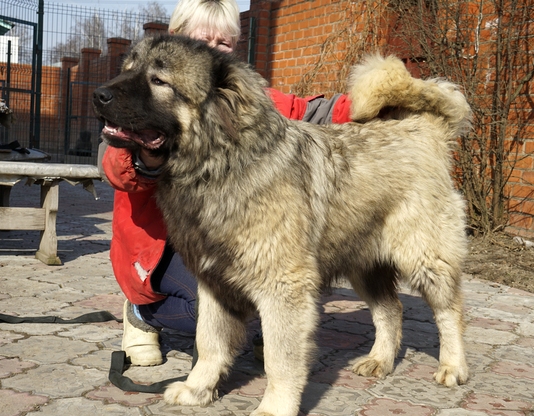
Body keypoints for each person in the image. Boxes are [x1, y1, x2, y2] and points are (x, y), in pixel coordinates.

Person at [102, 0, 351, 366]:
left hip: (220, 233)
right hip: (160, 247)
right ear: (176, 38)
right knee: (207, 305)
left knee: (265, 281)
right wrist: (150, 156)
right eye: (204, 40)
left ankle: (267, 333)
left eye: (225, 42)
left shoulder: (237, 94)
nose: (214, 50)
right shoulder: (142, 96)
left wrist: (378, 100)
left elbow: (308, 111)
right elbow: (112, 164)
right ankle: (142, 314)